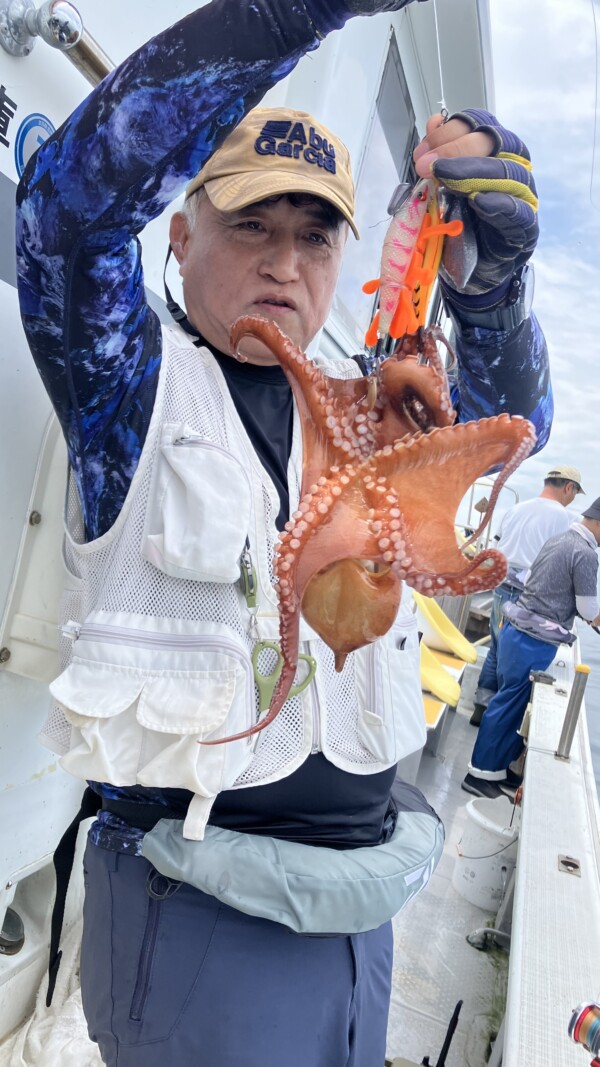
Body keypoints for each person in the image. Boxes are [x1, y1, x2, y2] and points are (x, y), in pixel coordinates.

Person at [16, 1, 552, 1064]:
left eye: (315, 235)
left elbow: (512, 430)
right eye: (251, 224)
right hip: (198, 904)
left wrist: (489, 298)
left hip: (360, 908)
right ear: (181, 231)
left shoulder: (371, 412)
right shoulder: (130, 391)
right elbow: (66, 215)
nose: (284, 263)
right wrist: (289, 11)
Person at [462, 498, 600, 800]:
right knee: (508, 703)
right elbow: (588, 608)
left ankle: (498, 769)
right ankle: (479, 773)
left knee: (510, 700)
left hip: (517, 630)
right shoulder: (586, 554)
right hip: (533, 640)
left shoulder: (559, 539)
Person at [471, 464, 585, 725]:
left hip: (501, 586)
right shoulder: (567, 519)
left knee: (497, 647)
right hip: (530, 596)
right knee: (515, 658)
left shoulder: (515, 509)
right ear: (569, 488)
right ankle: (498, 717)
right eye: (574, 493)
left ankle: (481, 705)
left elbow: (497, 547)